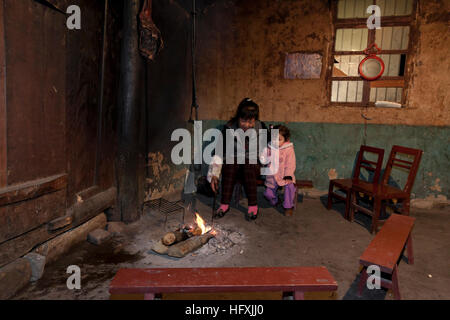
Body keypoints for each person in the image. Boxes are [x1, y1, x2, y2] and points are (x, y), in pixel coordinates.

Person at [207, 98, 267, 221]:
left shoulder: (261, 128)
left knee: (247, 162)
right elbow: (219, 152)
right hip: (233, 165)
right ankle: (224, 205)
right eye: (243, 121)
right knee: (230, 161)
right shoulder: (229, 128)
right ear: (238, 117)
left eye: (251, 122)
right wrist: (214, 174)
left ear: (255, 120)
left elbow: (269, 149)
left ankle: (253, 206)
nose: (247, 125)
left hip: (252, 165)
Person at [261, 125, 297, 216]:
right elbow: (264, 159)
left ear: (285, 139)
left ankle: (288, 207)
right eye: (274, 139)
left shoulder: (288, 149)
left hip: (285, 175)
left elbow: (290, 163)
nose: (276, 142)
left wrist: (288, 175)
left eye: (279, 139)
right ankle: (275, 200)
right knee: (268, 194)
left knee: (290, 187)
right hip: (272, 176)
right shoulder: (269, 147)